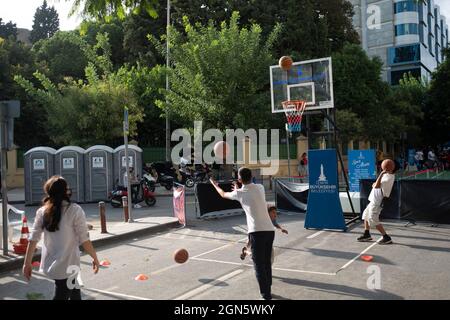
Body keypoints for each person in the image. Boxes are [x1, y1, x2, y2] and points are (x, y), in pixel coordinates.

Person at [23, 176, 100, 300]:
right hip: (70, 265)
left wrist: (27, 263)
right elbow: (84, 240)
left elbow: (33, 239)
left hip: (56, 266)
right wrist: (95, 258)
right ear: (66, 191)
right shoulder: (75, 210)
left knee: (75, 292)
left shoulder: (42, 211)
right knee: (63, 293)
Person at [210, 168, 275, 300]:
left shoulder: (239, 193)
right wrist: (238, 188)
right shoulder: (260, 187)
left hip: (257, 232)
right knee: (266, 262)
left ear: (239, 179)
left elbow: (222, 194)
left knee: (258, 265)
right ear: (251, 176)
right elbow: (248, 192)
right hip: (269, 230)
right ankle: (268, 287)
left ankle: (266, 295)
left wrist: (214, 185)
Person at [357, 159, 397, 245]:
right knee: (365, 215)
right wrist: (377, 182)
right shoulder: (387, 175)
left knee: (373, 219)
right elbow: (375, 184)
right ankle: (367, 234)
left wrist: (381, 174)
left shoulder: (390, 177)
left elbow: (377, 185)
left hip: (377, 202)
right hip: (373, 200)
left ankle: (386, 237)